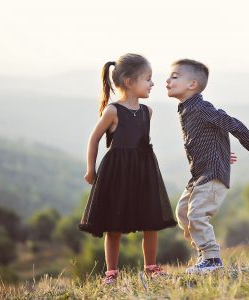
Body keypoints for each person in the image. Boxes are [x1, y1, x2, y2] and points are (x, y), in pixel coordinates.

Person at [166, 59, 249, 274]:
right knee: (183, 214)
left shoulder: (202, 108)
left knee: (197, 215)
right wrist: (221, 154)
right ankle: (204, 254)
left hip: (212, 175)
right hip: (199, 174)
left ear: (192, 84)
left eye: (174, 76)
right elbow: (208, 137)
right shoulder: (186, 109)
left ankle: (212, 259)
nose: (167, 80)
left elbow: (231, 123)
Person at [78, 53, 177, 284]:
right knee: (114, 225)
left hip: (143, 173)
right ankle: (111, 273)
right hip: (117, 173)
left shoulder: (147, 112)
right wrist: (90, 170)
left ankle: (151, 267)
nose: (153, 84)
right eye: (148, 79)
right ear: (130, 82)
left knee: (150, 221)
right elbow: (94, 139)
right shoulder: (113, 111)